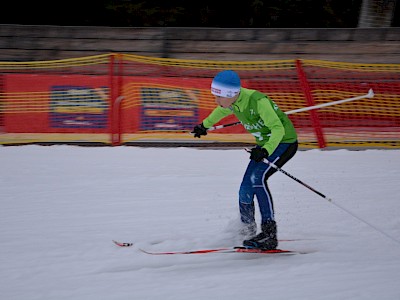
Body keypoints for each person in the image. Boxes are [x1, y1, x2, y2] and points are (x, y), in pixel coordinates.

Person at [191, 70, 298, 250]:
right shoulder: (233, 102)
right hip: (265, 145)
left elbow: (278, 129)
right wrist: (204, 126)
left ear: (231, 94)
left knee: (258, 178)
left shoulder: (258, 101)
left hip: (283, 143)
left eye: (219, 96)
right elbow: (220, 111)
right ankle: (247, 229)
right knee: (245, 187)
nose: (216, 100)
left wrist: (265, 150)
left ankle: (269, 233)